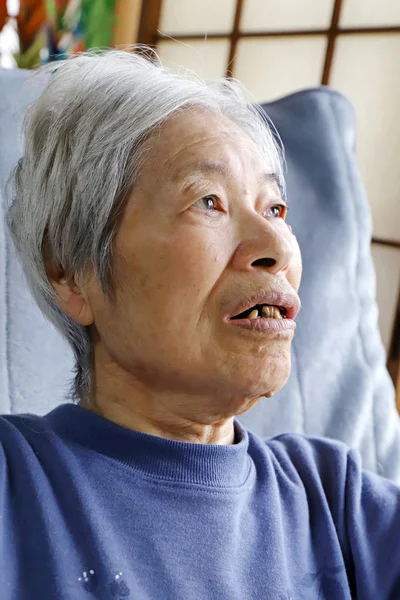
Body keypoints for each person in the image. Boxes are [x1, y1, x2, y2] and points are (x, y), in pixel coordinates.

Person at [3, 48, 400, 600]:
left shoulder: (336, 501)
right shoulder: (15, 487)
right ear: (72, 270)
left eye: (275, 209)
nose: (275, 247)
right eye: (208, 201)